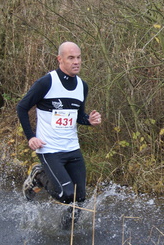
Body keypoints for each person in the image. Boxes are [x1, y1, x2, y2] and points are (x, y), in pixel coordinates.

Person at [17, 41, 102, 227]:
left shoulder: (82, 86)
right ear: (60, 59)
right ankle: (38, 175)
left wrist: (89, 120)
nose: (76, 62)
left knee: (79, 200)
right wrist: (31, 136)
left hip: (72, 149)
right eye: (71, 58)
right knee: (66, 195)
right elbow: (22, 107)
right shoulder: (47, 82)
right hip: (50, 150)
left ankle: (66, 232)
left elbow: (77, 116)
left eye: (78, 57)